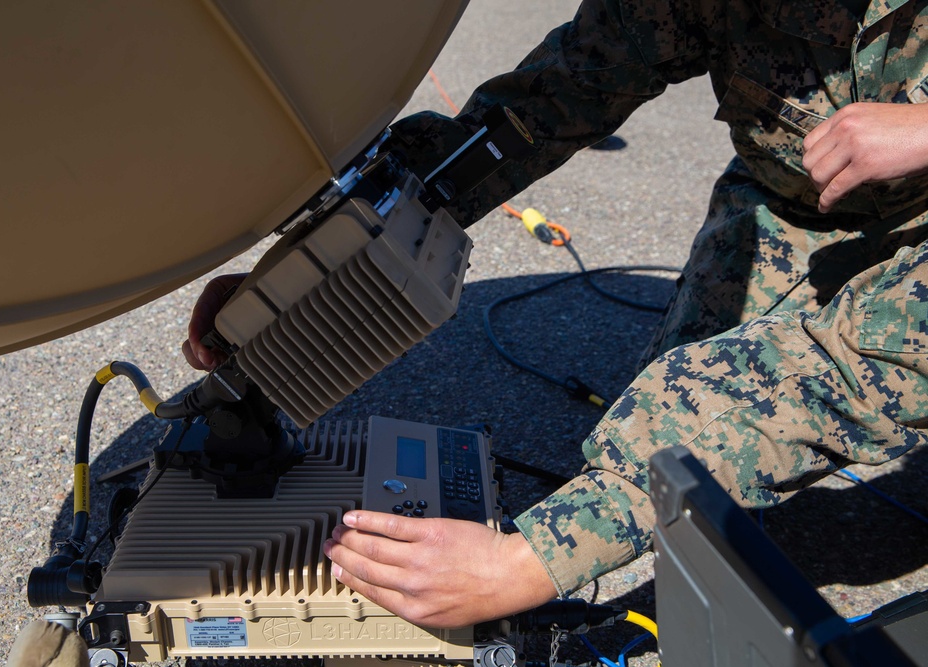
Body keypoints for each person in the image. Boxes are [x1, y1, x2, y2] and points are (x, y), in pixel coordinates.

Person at [184, 0, 928, 629]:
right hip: (795, 202)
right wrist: (311, 269)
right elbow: (555, 98)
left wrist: (528, 559)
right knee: (680, 450)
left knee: (719, 406)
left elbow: (857, 359)